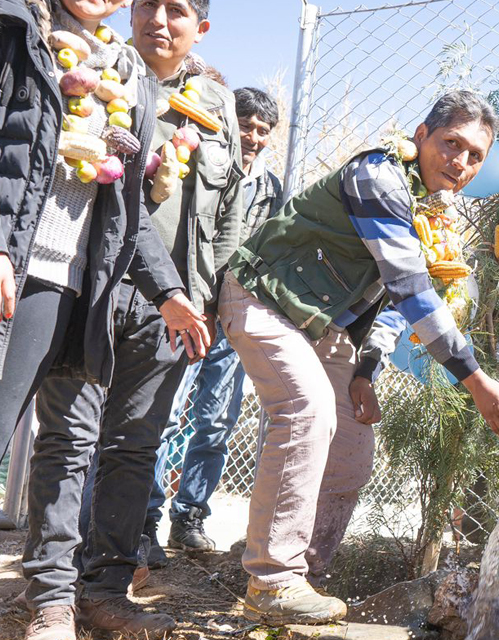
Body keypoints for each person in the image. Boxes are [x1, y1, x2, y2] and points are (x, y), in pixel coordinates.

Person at [0, 0, 202, 638]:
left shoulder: (125, 69)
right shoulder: (2, 20)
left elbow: (124, 204)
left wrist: (166, 289)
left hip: (57, 279)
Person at [219, 90, 499, 625]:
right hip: (266, 300)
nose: (461, 162)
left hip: (325, 324)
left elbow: (387, 301)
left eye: (475, 155)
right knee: (307, 411)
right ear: (421, 136)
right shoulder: (380, 177)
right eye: (452, 144)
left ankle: (305, 575)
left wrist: (365, 369)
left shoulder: (426, 206)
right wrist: (475, 380)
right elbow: (410, 289)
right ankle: (271, 577)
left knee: (353, 451)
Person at [19, 0, 244, 637]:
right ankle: (50, 597)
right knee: (67, 439)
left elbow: (226, 210)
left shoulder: (217, 107)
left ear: (200, 27)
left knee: (134, 447)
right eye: (148, 4)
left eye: (178, 10)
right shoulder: (95, 69)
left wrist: (207, 290)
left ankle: (106, 587)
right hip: (88, 286)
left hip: (174, 304)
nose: (159, 20)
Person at [145, 86, 284, 563]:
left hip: (234, 317)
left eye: (263, 131)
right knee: (164, 413)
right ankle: (144, 519)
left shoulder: (271, 188)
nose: (253, 136)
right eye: (246, 125)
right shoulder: (200, 162)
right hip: (190, 306)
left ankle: (190, 517)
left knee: (216, 420)